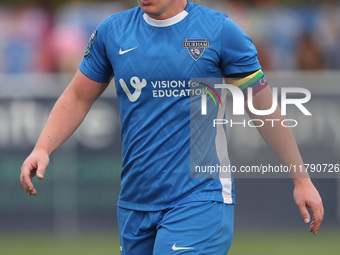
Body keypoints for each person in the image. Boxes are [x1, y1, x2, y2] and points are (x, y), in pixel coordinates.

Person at [20, 0, 324, 254]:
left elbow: (263, 108)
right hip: (134, 203)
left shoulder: (219, 31)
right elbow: (76, 97)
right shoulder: (112, 32)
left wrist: (302, 179)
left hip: (200, 198)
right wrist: (42, 147)